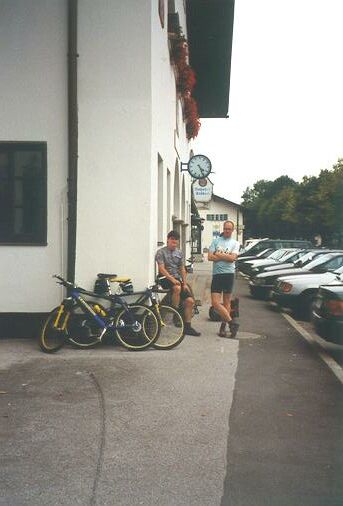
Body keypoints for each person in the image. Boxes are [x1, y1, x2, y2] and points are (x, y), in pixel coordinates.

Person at [155, 230, 201, 336]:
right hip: (164, 278)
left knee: (189, 301)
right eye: (172, 241)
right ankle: (176, 313)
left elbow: (182, 269)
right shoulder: (161, 252)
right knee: (177, 288)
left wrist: (184, 283)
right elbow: (161, 269)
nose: (174, 244)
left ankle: (188, 327)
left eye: (176, 242)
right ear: (167, 240)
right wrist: (172, 279)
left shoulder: (179, 253)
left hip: (177, 279)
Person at [208, 220, 240, 338]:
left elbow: (232, 259)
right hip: (217, 274)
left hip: (228, 274)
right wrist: (226, 256)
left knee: (227, 302)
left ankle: (223, 327)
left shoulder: (235, 243)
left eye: (229, 229)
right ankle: (232, 323)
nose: (227, 231)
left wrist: (219, 254)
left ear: (232, 230)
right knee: (215, 303)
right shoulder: (216, 241)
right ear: (223, 228)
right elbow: (210, 257)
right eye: (225, 228)